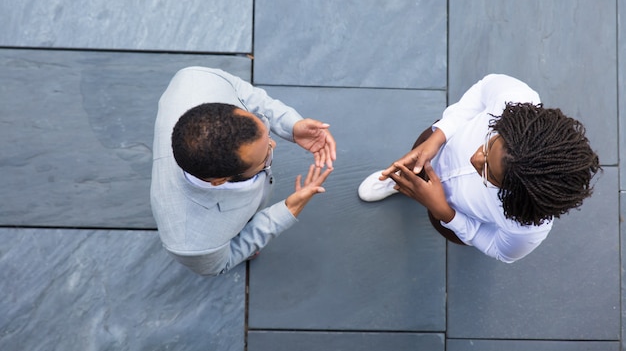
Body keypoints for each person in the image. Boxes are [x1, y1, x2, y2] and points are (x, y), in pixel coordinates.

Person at [358, 74, 600, 263]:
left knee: (439, 222)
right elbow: (483, 90)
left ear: (516, 193)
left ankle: (410, 186)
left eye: (487, 174)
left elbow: (497, 248)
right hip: (440, 146)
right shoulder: (516, 97)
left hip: (453, 211)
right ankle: (400, 180)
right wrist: (438, 137)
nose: (475, 158)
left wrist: (444, 212)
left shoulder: (526, 229)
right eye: (489, 143)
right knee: (415, 154)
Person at [151, 66, 335, 276]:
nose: (274, 144)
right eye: (264, 156)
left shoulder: (198, 78)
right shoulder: (192, 244)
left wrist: (291, 125)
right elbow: (223, 262)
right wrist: (286, 211)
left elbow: (247, 95)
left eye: (265, 135)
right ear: (219, 181)